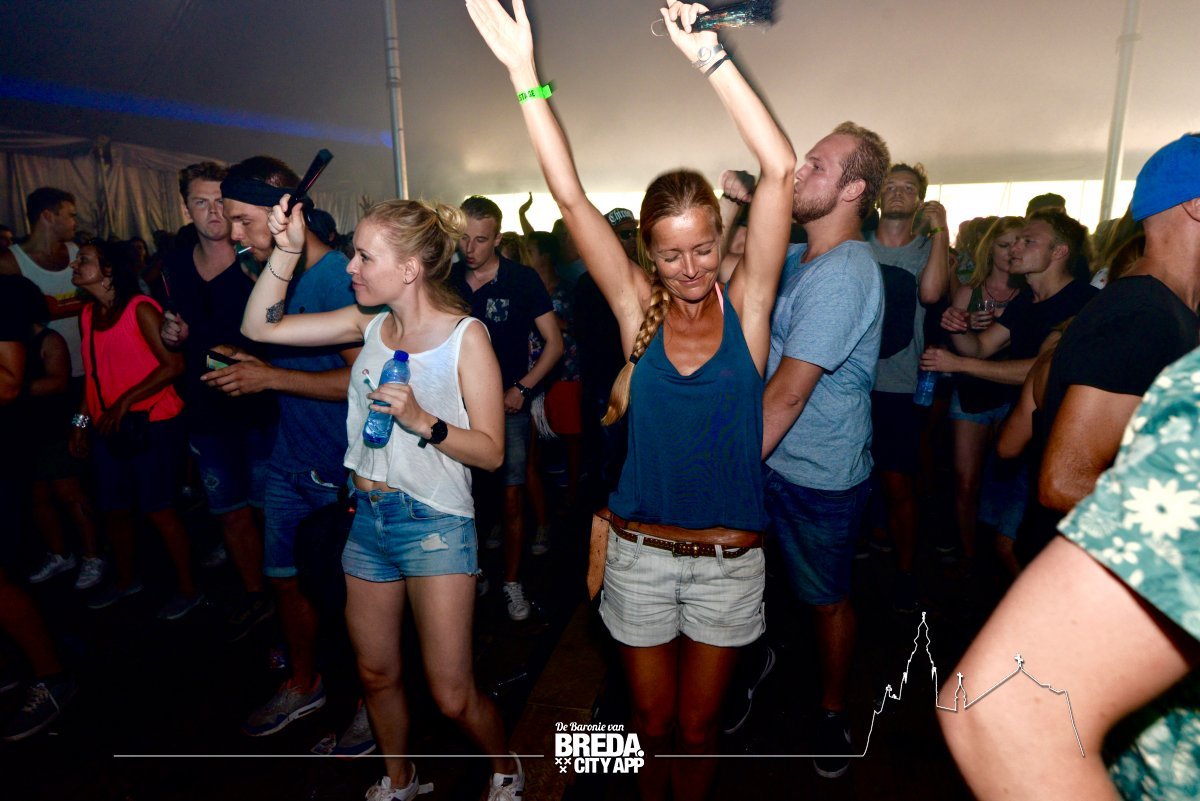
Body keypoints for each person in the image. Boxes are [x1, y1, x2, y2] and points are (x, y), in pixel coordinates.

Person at [466, 2, 795, 798]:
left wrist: (712, 58)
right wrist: (524, 76)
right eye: (672, 254)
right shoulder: (632, 306)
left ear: (722, 241)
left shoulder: (748, 310)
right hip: (640, 557)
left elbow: (781, 170)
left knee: (699, 728)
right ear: (649, 251)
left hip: (727, 562)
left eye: (704, 249)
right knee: (648, 726)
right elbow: (571, 198)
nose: (691, 269)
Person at [240, 195, 519, 801]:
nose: (351, 267)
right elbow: (258, 327)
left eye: (365, 257)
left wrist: (423, 421)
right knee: (375, 673)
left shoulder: (464, 338)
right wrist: (286, 252)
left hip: (435, 525)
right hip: (366, 520)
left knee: (451, 695)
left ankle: (505, 767)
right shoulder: (366, 324)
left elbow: (493, 452)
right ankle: (401, 779)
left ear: (410, 268)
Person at [939, 343, 1200, 801]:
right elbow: (1003, 715)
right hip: (1081, 551)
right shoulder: (1161, 367)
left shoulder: (1054, 359)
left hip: (1052, 538)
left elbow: (1009, 445)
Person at [725, 120, 889, 776]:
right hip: (768, 455)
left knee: (825, 599)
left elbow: (790, 392)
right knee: (751, 583)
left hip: (818, 473)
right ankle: (758, 661)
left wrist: (727, 471)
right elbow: (728, 279)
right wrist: (742, 207)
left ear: (853, 190)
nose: (799, 171)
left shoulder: (846, 273)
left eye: (817, 165)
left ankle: (832, 709)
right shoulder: (799, 256)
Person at [208, 157, 366, 750]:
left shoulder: (335, 278)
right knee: (284, 582)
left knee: (352, 599)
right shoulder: (274, 273)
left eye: (243, 221)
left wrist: (270, 378)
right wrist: (256, 366)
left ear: (283, 213)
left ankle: (371, 702)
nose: (234, 234)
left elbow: (362, 382)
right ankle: (305, 684)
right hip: (288, 459)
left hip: (339, 469)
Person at [1034, 134, 1200, 554]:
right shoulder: (1142, 315)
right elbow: (1064, 481)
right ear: (1196, 205)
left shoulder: (1171, 309)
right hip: (1095, 573)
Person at [159, 162, 275, 637]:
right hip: (207, 410)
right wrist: (172, 334)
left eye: (219, 202)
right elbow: (177, 328)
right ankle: (257, 597)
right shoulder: (175, 263)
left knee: (273, 510)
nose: (213, 212)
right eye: (200, 202)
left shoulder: (259, 260)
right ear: (185, 207)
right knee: (230, 512)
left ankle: (291, 593)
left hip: (263, 408)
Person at [68, 240, 201, 619]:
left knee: (159, 509)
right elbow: (93, 377)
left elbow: (173, 365)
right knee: (114, 510)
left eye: (84, 260)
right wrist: (80, 423)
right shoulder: (88, 314)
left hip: (153, 423)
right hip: (109, 426)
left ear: (109, 270)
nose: (75, 264)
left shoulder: (140, 308)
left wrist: (125, 400)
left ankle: (189, 588)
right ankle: (126, 580)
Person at [449, 195, 562, 621]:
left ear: (498, 238)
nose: (470, 248)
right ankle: (473, 572)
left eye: (480, 240)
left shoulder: (521, 279)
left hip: (506, 407)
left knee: (512, 496)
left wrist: (523, 389)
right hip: (457, 408)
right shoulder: (447, 279)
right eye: (464, 238)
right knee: (464, 497)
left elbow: (555, 344)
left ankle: (512, 582)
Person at [866, 163, 952, 611]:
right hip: (850, 382)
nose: (898, 193)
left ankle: (904, 571)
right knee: (852, 480)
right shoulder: (857, 245)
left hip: (898, 384)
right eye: (891, 186)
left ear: (919, 199)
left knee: (899, 482)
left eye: (908, 188)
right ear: (877, 195)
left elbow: (933, 294)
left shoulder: (926, 249)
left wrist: (941, 231)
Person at [940, 216, 1026, 572]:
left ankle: (1001, 552)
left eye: (1019, 244)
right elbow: (962, 348)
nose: (1012, 252)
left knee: (1006, 479)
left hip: (1014, 395)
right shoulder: (968, 291)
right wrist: (962, 327)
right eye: (1004, 245)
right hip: (972, 394)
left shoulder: (1031, 293)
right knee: (966, 481)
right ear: (990, 248)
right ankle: (969, 555)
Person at [0, 187, 86, 377]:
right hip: (42, 376)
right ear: (48, 216)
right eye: (71, 215)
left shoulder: (78, 253)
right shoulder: (9, 263)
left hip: (87, 367)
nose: (76, 222)